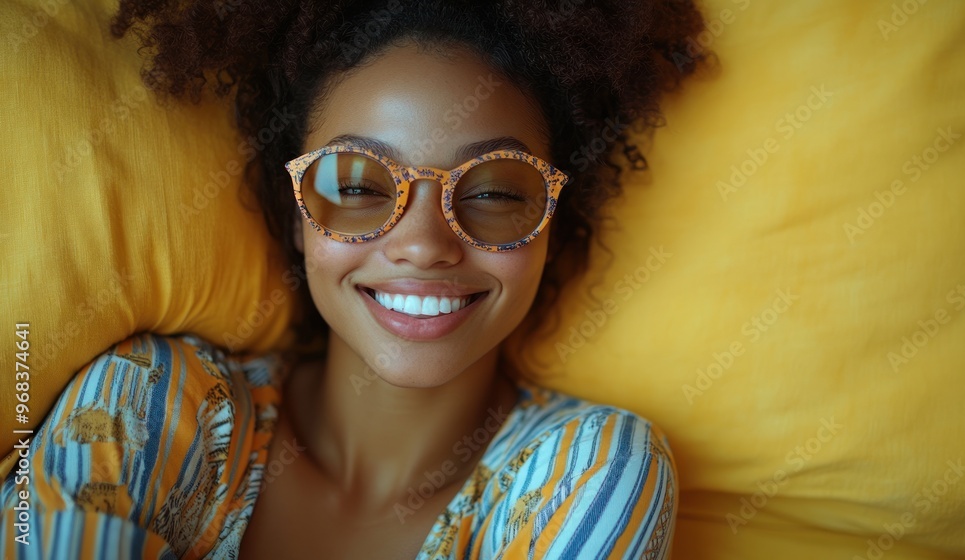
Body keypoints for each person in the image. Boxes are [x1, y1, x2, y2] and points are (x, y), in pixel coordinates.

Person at [0, 1, 707, 558]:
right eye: (359, 184)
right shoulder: (144, 402)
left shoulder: (592, 473)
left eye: (493, 192)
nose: (425, 245)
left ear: (554, 222)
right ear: (297, 213)